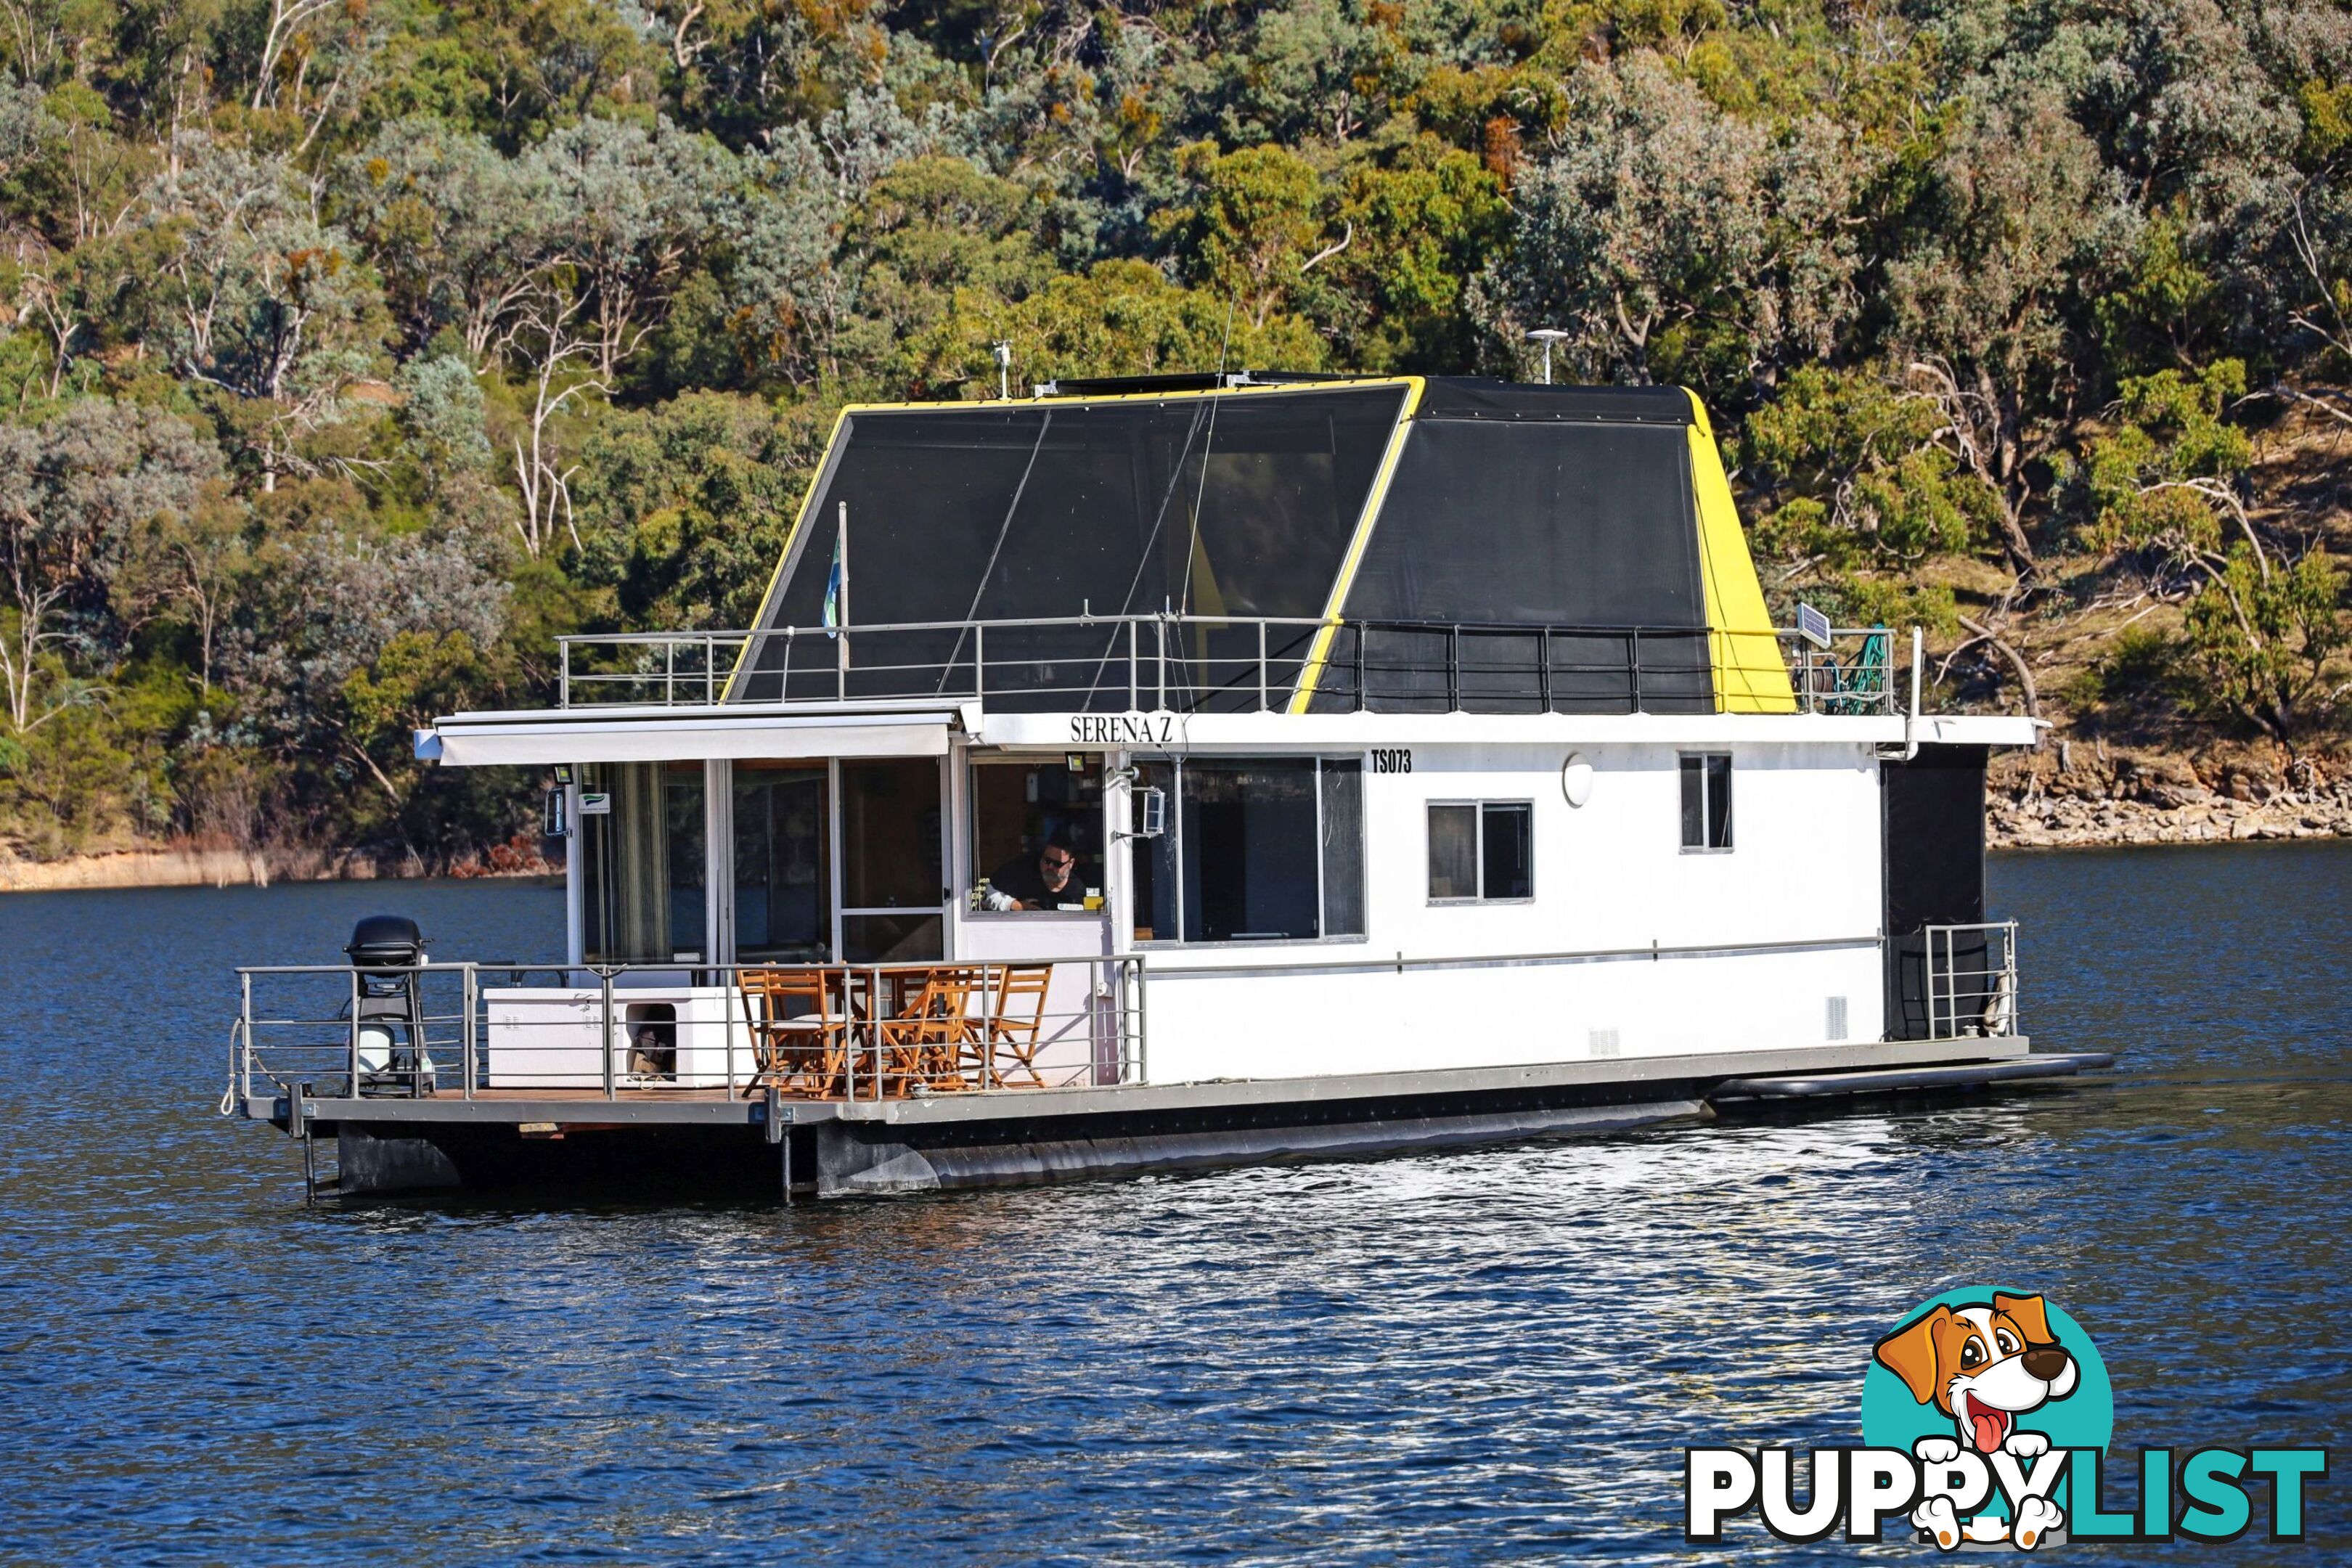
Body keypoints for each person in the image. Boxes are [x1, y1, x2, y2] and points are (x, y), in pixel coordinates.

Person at [980, 838, 1079, 911]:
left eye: (1057, 864)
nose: (1050, 867)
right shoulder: (1021, 871)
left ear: (1071, 864)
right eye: (1047, 861)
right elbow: (981, 890)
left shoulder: (1078, 891)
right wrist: (1014, 905)